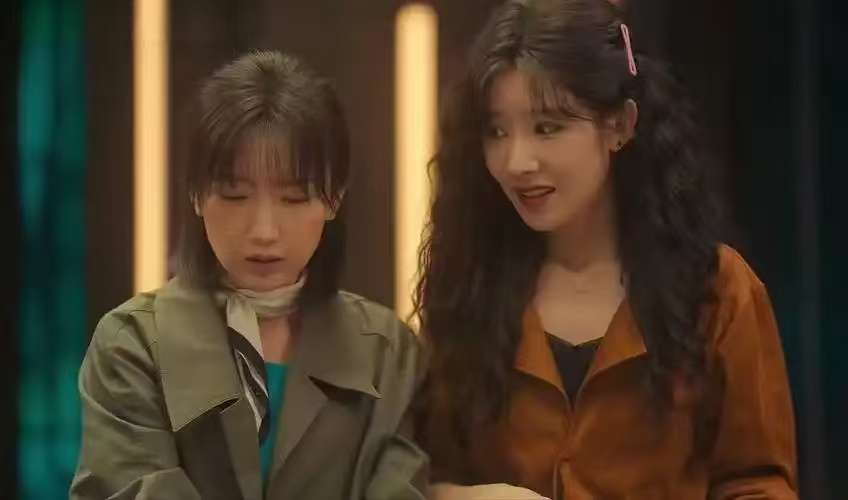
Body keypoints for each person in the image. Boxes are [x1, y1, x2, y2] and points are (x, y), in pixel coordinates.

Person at [414, 1, 797, 498]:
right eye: (497, 131)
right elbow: (419, 470)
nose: (517, 161)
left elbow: (758, 482)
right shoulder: (468, 284)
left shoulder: (717, 288)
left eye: (547, 127)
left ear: (619, 125)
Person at [70, 50, 427, 500]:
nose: (263, 231)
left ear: (334, 198)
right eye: (235, 195)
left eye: (294, 198)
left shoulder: (388, 354)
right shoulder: (133, 345)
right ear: (196, 194)